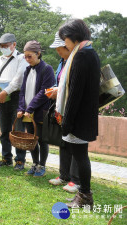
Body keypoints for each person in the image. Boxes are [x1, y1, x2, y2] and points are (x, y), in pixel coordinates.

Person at [57, 19, 100, 208]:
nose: (64, 43)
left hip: (79, 117)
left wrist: (67, 121)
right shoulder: (89, 52)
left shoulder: (82, 55)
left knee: (81, 156)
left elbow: (75, 93)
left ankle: (85, 197)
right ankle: (83, 195)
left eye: (64, 39)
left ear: (73, 37)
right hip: (85, 115)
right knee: (81, 156)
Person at [0, 33, 29, 170]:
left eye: (6, 46)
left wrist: (6, 91)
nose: (4, 48)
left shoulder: (21, 58)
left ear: (14, 45)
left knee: (18, 130)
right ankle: (6, 157)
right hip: (0, 95)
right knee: (4, 130)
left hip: (16, 97)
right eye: (1, 46)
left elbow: (18, 80)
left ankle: (20, 160)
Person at [48, 32, 80, 192]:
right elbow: (59, 83)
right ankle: (64, 175)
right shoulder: (62, 62)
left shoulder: (77, 62)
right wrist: (55, 90)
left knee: (75, 144)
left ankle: (76, 179)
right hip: (61, 109)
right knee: (64, 143)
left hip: (74, 109)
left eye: (61, 48)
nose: (58, 51)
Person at [17, 40, 55, 177]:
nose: (27, 60)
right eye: (25, 57)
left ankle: (42, 165)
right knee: (31, 139)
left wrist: (31, 108)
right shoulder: (27, 70)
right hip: (28, 111)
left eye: (30, 56)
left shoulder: (47, 69)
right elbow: (22, 91)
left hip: (40, 111)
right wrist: (21, 108)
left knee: (42, 139)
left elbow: (44, 92)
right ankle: (34, 163)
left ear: (38, 54)